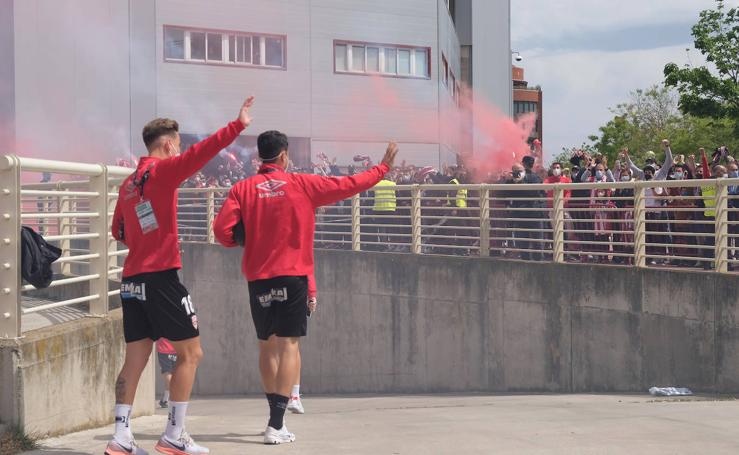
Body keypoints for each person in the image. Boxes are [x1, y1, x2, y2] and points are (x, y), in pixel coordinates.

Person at [212, 131, 398, 445]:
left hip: (258, 278)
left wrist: (238, 240)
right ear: (284, 156)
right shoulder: (302, 184)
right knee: (289, 347)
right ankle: (276, 424)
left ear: (261, 157)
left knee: (266, 346)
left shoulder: (241, 189)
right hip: (292, 276)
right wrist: (382, 169)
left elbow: (221, 231)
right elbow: (348, 185)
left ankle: (273, 420)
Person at [107, 96, 255, 455]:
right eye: (178, 146)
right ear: (169, 144)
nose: (180, 152)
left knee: (135, 359)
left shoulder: (128, 184)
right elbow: (203, 152)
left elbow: (118, 231)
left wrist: (144, 239)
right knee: (192, 354)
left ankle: (121, 437)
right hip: (162, 278)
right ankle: (174, 435)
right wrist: (238, 125)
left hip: (132, 282)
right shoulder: (163, 171)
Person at [156, 338, 177, 409]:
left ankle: (167, 399)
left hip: (164, 350)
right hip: (177, 348)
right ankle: (167, 399)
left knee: (168, 373)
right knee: (175, 373)